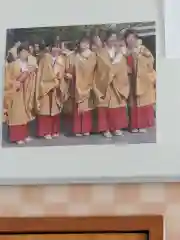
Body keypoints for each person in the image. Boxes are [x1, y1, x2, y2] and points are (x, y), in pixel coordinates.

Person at [93, 31, 129, 138]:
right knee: (104, 108)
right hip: (104, 83)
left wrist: (116, 74)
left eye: (115, 38)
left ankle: (116, 128)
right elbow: (98, 68)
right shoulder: (99, 52)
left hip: (116, 84)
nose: (113, 41)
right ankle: (105, 129)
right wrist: (108, 74)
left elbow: (123, 68)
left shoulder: (120, 53)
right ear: (106, 40)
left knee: (116, 108)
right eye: (111, 38)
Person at [4, 43, 36, 144]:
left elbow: (32, 78)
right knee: (16, 115)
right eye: (22, 52)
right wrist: (15, 83)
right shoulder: (12, 65)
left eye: (26, 52)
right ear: (19, 53)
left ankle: (24, 135)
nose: (24, 54)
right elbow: (7, 79)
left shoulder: (29, 65)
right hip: (16, 92)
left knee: (24, 115)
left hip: (26, 92)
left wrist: (30, 74)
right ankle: (16, 137)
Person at [124, 29, 156, 133]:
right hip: (130, 79)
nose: (131, 40)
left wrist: (140, 54)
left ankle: (142, 125)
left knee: (142, 102)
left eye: (133, 37)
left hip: (142, 79)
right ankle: (133, 126)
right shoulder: (124, 50)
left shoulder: (143, 49)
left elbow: (151, 60)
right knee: (132, 103)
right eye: (129, 38)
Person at [35, 42, 68, 139]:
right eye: (53, 47)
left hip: (57, 87)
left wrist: (64, 77)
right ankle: (45, 132)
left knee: (55, 110)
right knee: (45, 111)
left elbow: (65, 72)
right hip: (45, 87)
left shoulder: (62, 59)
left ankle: (54, 130)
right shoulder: (44, 58)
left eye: (57, 47)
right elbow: (41, 73)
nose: (56, 50)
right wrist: (50, 81)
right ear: (50, 48)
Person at [65, 36, 96, 136]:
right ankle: (78, 130)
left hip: (89, 84)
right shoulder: (74, 56)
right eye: (82, 43)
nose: (84, 45)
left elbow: (95, 69)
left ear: (89, 44)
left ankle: (86, 129)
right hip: (77, 84)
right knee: (78, 109)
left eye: (86, 43)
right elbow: (70, 68)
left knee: (87, 109)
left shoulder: (93, 55)